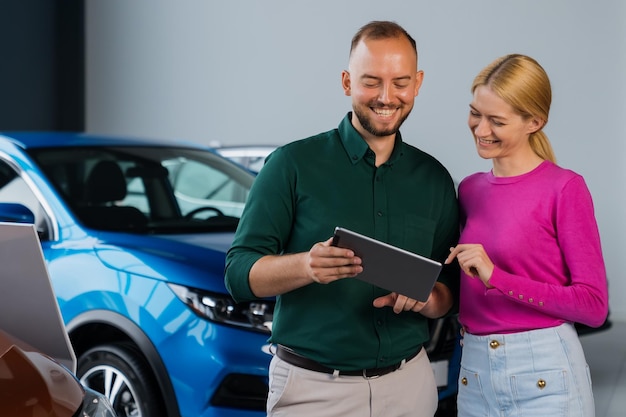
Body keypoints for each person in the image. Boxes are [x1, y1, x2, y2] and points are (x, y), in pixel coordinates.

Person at [225, 20, 459, 417]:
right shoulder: (290, 165)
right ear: (347, 82)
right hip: (313, 392)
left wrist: (427, 298)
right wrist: (305, 265)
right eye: (372, 81)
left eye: (400, 82)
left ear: (418, 83)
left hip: (410, 388)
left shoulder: (435, 179)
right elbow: (238, 275)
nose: (387, 97)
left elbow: (448, 293)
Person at [445, 54, 609, 417]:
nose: (480, 129)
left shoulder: (564, 188)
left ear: (534, 122)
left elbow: (593, 306)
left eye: (496, 121)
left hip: (544, 371)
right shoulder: (470, 191)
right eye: (476, 113)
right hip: (473, 369)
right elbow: (463, 290)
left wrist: (497, 278)